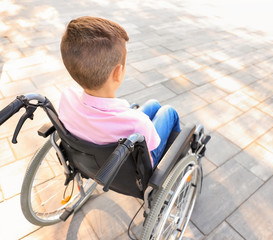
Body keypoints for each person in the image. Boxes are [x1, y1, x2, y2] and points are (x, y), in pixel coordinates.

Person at [58, 16, 181, 168]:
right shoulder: (138, 123)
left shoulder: (67, 97)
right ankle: (179, 155)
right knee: (169, 112)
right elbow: (147, 159)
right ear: (117, 73)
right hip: (132, 169)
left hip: (90, 158)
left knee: (153, 104)